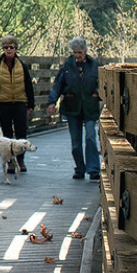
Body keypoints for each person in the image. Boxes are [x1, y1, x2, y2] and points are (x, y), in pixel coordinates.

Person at [47, 37, 101, 180]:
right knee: (76, 142)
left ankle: (94, 169)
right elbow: (58, 85)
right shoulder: (67, 66)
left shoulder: (94, 65)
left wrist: (98, 93)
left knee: (90, 137)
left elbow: (102, 83)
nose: (77, 55)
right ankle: (80, 168)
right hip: (72, 106)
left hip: (89, 106)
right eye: (75, 52)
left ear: (85, 50)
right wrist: (52, 102)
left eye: (80, 52)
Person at [0, 34, 35, 173]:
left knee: (21, 132)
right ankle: (10, 162)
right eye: (5, 47)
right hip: (4, 102)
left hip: (19, 101)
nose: (8, 50)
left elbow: (28, 85)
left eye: (11, 47)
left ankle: (20, 160)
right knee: (6, 134)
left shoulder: (21, 66)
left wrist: (31, 104)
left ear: (16, 49)